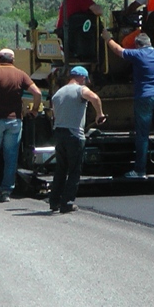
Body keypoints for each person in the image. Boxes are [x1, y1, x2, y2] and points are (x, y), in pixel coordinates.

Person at [0, 48, 42, 202]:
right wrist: (35, 109)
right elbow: (37, 93)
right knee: (11, 157)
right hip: (14, 121)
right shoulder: (20, 74)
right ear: (13, 60)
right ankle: (6, 192)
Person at [102, 28, 154, 179]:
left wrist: (108, 38)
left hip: (145, 98)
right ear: (150, 43)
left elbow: (118, 50)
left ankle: (140, 171)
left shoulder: (138, 54)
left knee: (143, 135)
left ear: (138, 45)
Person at [47, 66, 106, 214]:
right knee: (74, 170)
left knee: (60, 169)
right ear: (81, 78)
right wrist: (100, 114)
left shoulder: (58, 93)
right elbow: (95, 98)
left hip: (59, 134)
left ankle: (54, 201)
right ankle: (67, 203)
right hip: (74, 135)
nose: (86, 82)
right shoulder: (80, 90)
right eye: (86, 79)